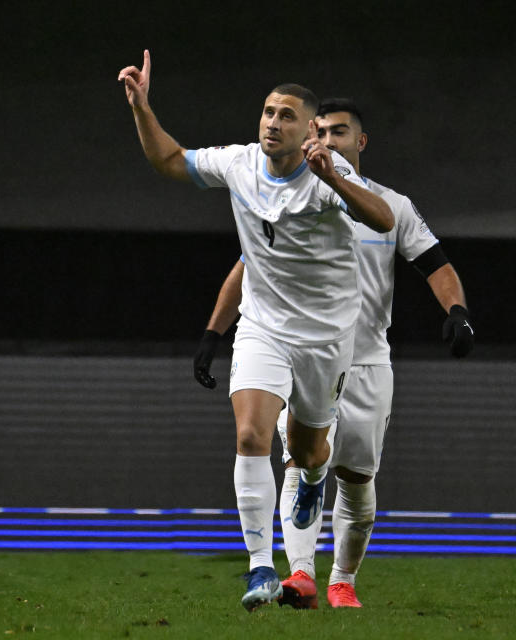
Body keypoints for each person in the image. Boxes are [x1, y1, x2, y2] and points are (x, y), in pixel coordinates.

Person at [118, 52, 394, 612]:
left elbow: (383, 220)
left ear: (309, 129)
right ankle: (260, 569)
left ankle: (313, 474)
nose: (272, 122)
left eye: (286, 115)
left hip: (325, 338)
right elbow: (169, 159)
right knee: (250, 436)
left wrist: (333, 180)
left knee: (311, 452)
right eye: (268, 112)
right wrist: (143, 108)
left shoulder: (329, 174)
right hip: (263, 326)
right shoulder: (240, 164)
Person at [194, 98, 473, 609]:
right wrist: (214, 333)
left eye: (338, 132)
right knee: (299, 460)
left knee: (358, 478)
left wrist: (457, 312)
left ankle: (342, 578)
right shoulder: (293, 196)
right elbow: (247, 269)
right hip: (305, 349)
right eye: (318, 130)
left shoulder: (391, 206)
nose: (324, 139)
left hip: (365, 361)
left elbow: (437, 264)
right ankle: (300, 573)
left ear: (359, 143)